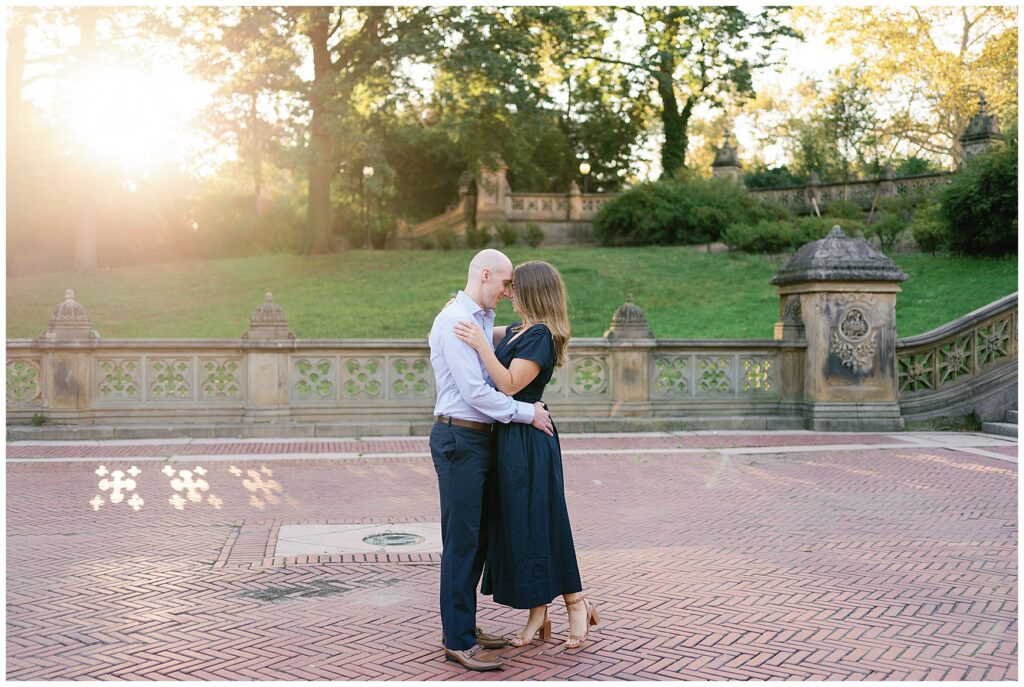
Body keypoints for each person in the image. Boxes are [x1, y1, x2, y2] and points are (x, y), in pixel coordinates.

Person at [453, 259, 599, 651]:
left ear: (532, 291)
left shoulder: (542, 337)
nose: (508, 292)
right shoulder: (519, 330)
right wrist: (460, 312)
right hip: (509, 438)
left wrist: (482, 345)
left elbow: (511, 383)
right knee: (520, 525)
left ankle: (576, 604)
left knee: (544, 520)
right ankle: (538, 614)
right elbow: (478, 323)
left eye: (515, 287)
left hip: (530, 442)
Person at [428, 249, 554, 672]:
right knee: (462, 541)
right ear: (485, 275)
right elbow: (476, 394)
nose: (508, 292)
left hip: (479, 440)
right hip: (459, 438)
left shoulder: (479, 319)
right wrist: (528, 413)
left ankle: (465, 627)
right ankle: (458, 641)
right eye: (504, 284)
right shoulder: (456, 323)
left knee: (478, 538)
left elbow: (517, 335)